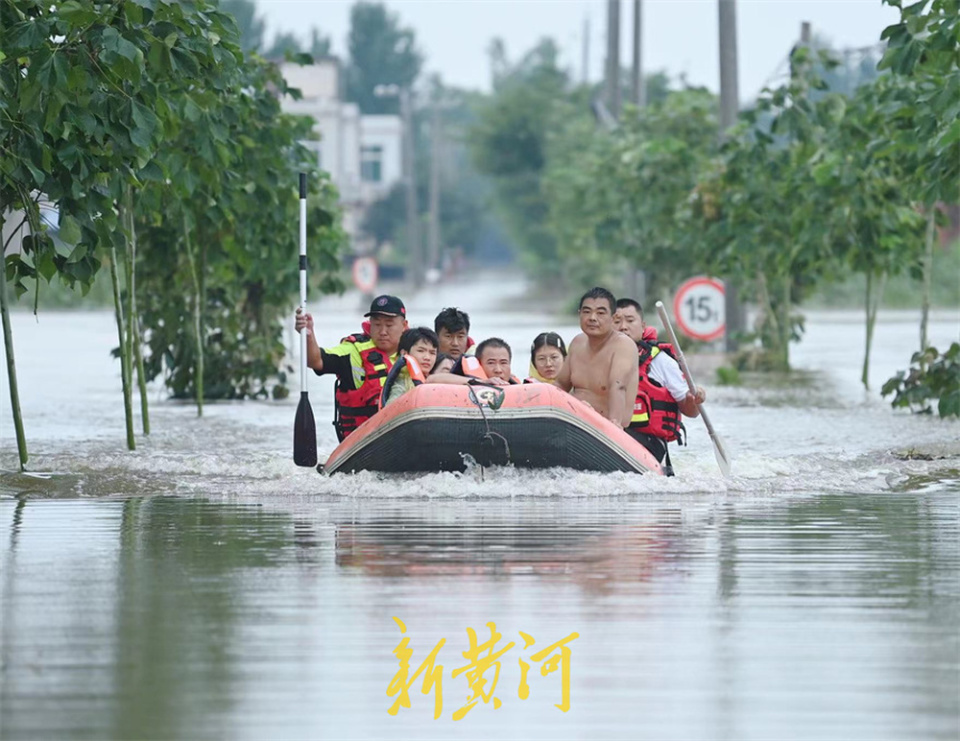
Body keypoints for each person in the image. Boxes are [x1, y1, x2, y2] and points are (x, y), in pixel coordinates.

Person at [295, 294, 408, 441]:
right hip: (363, 440)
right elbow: (315, 361)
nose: (382, 331)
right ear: (370, 324)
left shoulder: (419, 350)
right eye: (377, 324)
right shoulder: (353, 350)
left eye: (389, 324)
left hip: (404, 435)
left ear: (404, 326)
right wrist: (308, 335)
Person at [614, 298, 707, 468]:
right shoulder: (599, 359)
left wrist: (694, 399)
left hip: (649, 442)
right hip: (609, 435)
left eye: (629, 320)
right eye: (616, 321)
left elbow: (690, 411)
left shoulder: (661, 361)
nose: (623, 327)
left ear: (642, 327)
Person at [555, 287, 638, 429]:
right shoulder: (577, 343)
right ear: (579, 314)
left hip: (606, 430)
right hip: (576, 424)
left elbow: (618, 386)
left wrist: (615, 424)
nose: (592, 318)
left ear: (613, 318)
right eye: (587, 312)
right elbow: (560, 385)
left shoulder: (623, 345)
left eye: (600, 313)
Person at [382, 327, 439, 407]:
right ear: (404, 353)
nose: (427, 357)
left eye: (432, 353)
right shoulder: (401, 382)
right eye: (421, 351)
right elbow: (389, 412)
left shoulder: (433, 378)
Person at [427, 337, 519, 386]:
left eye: (503, 363)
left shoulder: (518, 387)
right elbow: (431, 380)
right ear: (479, 364)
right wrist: (481, 382)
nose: (498, 370)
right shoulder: (466, 383)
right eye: (491, 363)